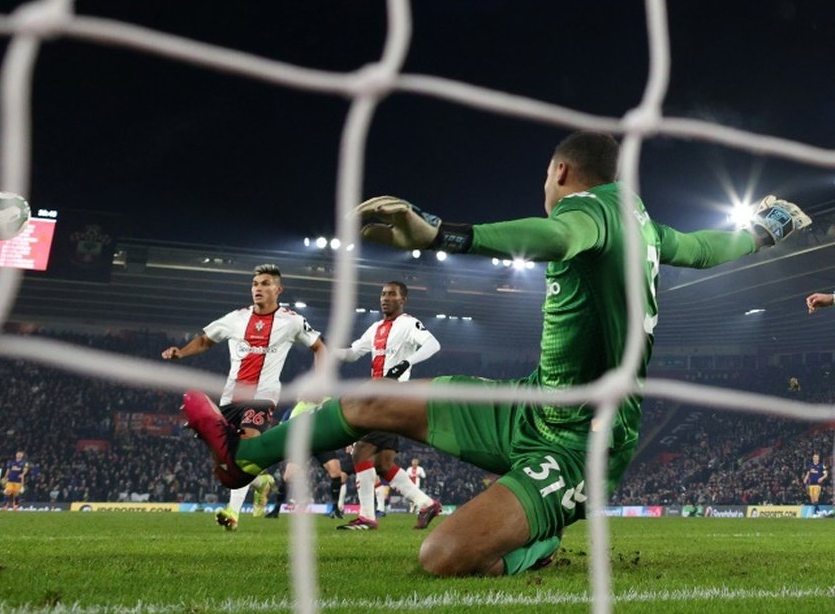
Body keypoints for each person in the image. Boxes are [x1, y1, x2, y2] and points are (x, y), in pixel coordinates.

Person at [182, 131, 811, 576]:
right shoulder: (641, 221)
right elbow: (705, 248)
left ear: (561, 172)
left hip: (580, 445)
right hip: (531, 405)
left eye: (546, 175)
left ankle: (540, 536)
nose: (545, 185)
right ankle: (243, 459)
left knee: (445, 557)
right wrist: (761, 231)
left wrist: (438, 233)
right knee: (373, 399)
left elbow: (553, 233)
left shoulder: (587, 213)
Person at [162, 263, 325, 531]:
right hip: (230, 398)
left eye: (265, 284)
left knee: (247, 447)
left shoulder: (292, 321)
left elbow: (319, 347)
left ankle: (233, 513)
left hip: (262, 395)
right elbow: (205, 341)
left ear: (278, 289)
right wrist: (180, 352)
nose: (258, 288)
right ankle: (261, 482)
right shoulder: (235, 318)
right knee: (226, 459)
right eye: (255, 284)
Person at [333, 281, 443, 530]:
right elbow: (352, 353)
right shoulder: (375, 328)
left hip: (394, 396)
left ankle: (367, 517)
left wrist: (406, 363)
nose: (385, 298)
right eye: (383, 294)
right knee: (383, 463)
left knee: (361, 451)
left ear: (403, 299)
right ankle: (426, 503)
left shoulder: (408, 323)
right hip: (378, 397)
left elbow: (433, 344)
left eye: (391, 294)